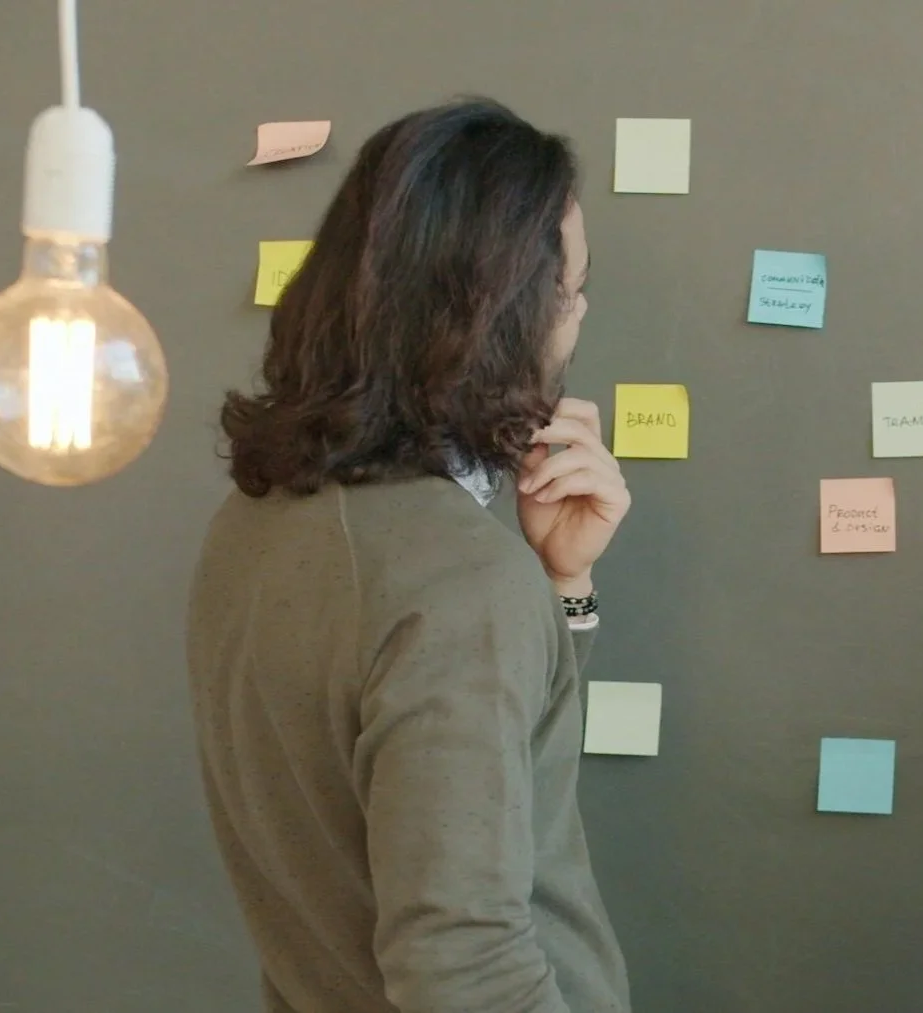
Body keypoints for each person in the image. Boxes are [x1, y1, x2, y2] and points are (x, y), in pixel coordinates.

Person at [186, 98, 632, 1013]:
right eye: (571, 291)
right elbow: (464, 970)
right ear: (507, 316)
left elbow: (484, 775)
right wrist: (509, 585)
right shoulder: (456, 581)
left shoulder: (255, 521)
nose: (578, 318)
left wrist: (561, 585)